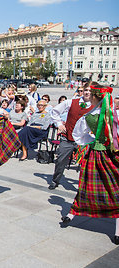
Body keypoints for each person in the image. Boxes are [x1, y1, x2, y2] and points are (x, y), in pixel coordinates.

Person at [61, 84, 119, 245]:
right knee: (113, 189)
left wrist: (93, 141)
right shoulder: (111, 114)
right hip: (111, 154)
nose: (87, 96)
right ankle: (73, 213)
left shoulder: (89, 116)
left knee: (88, 186)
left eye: (89, 95)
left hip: (96, 154)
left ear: (95, 97)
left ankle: (73, 213)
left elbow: (78, 136)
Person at [48, 84, 92, 189]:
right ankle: (55, 180)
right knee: (60, 160)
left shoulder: (96, 106)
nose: (87, 92)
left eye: (90, 91)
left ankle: (85, 186)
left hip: (83, 140)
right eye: (85, 90)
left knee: (87, 164)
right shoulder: (71, 102)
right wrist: (59, 124)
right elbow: (54, 111)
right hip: (68, 137)